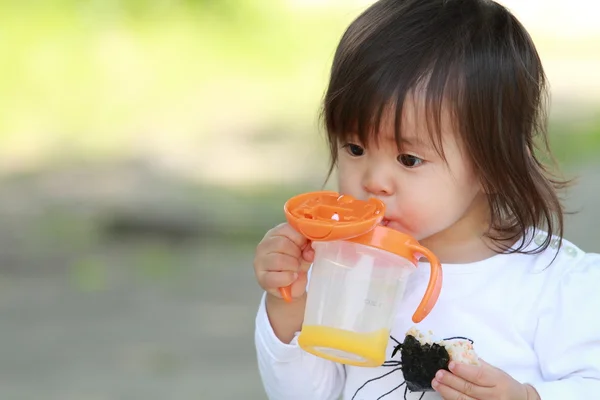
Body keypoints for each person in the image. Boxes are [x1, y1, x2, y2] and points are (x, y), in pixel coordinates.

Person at [252, 0, 600, 398]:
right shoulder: (341, 266)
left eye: (408, 159)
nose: (374, 181)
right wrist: (288, 305)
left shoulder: (558, 284)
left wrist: (527, 397)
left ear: (492, 164)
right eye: (354, 148)